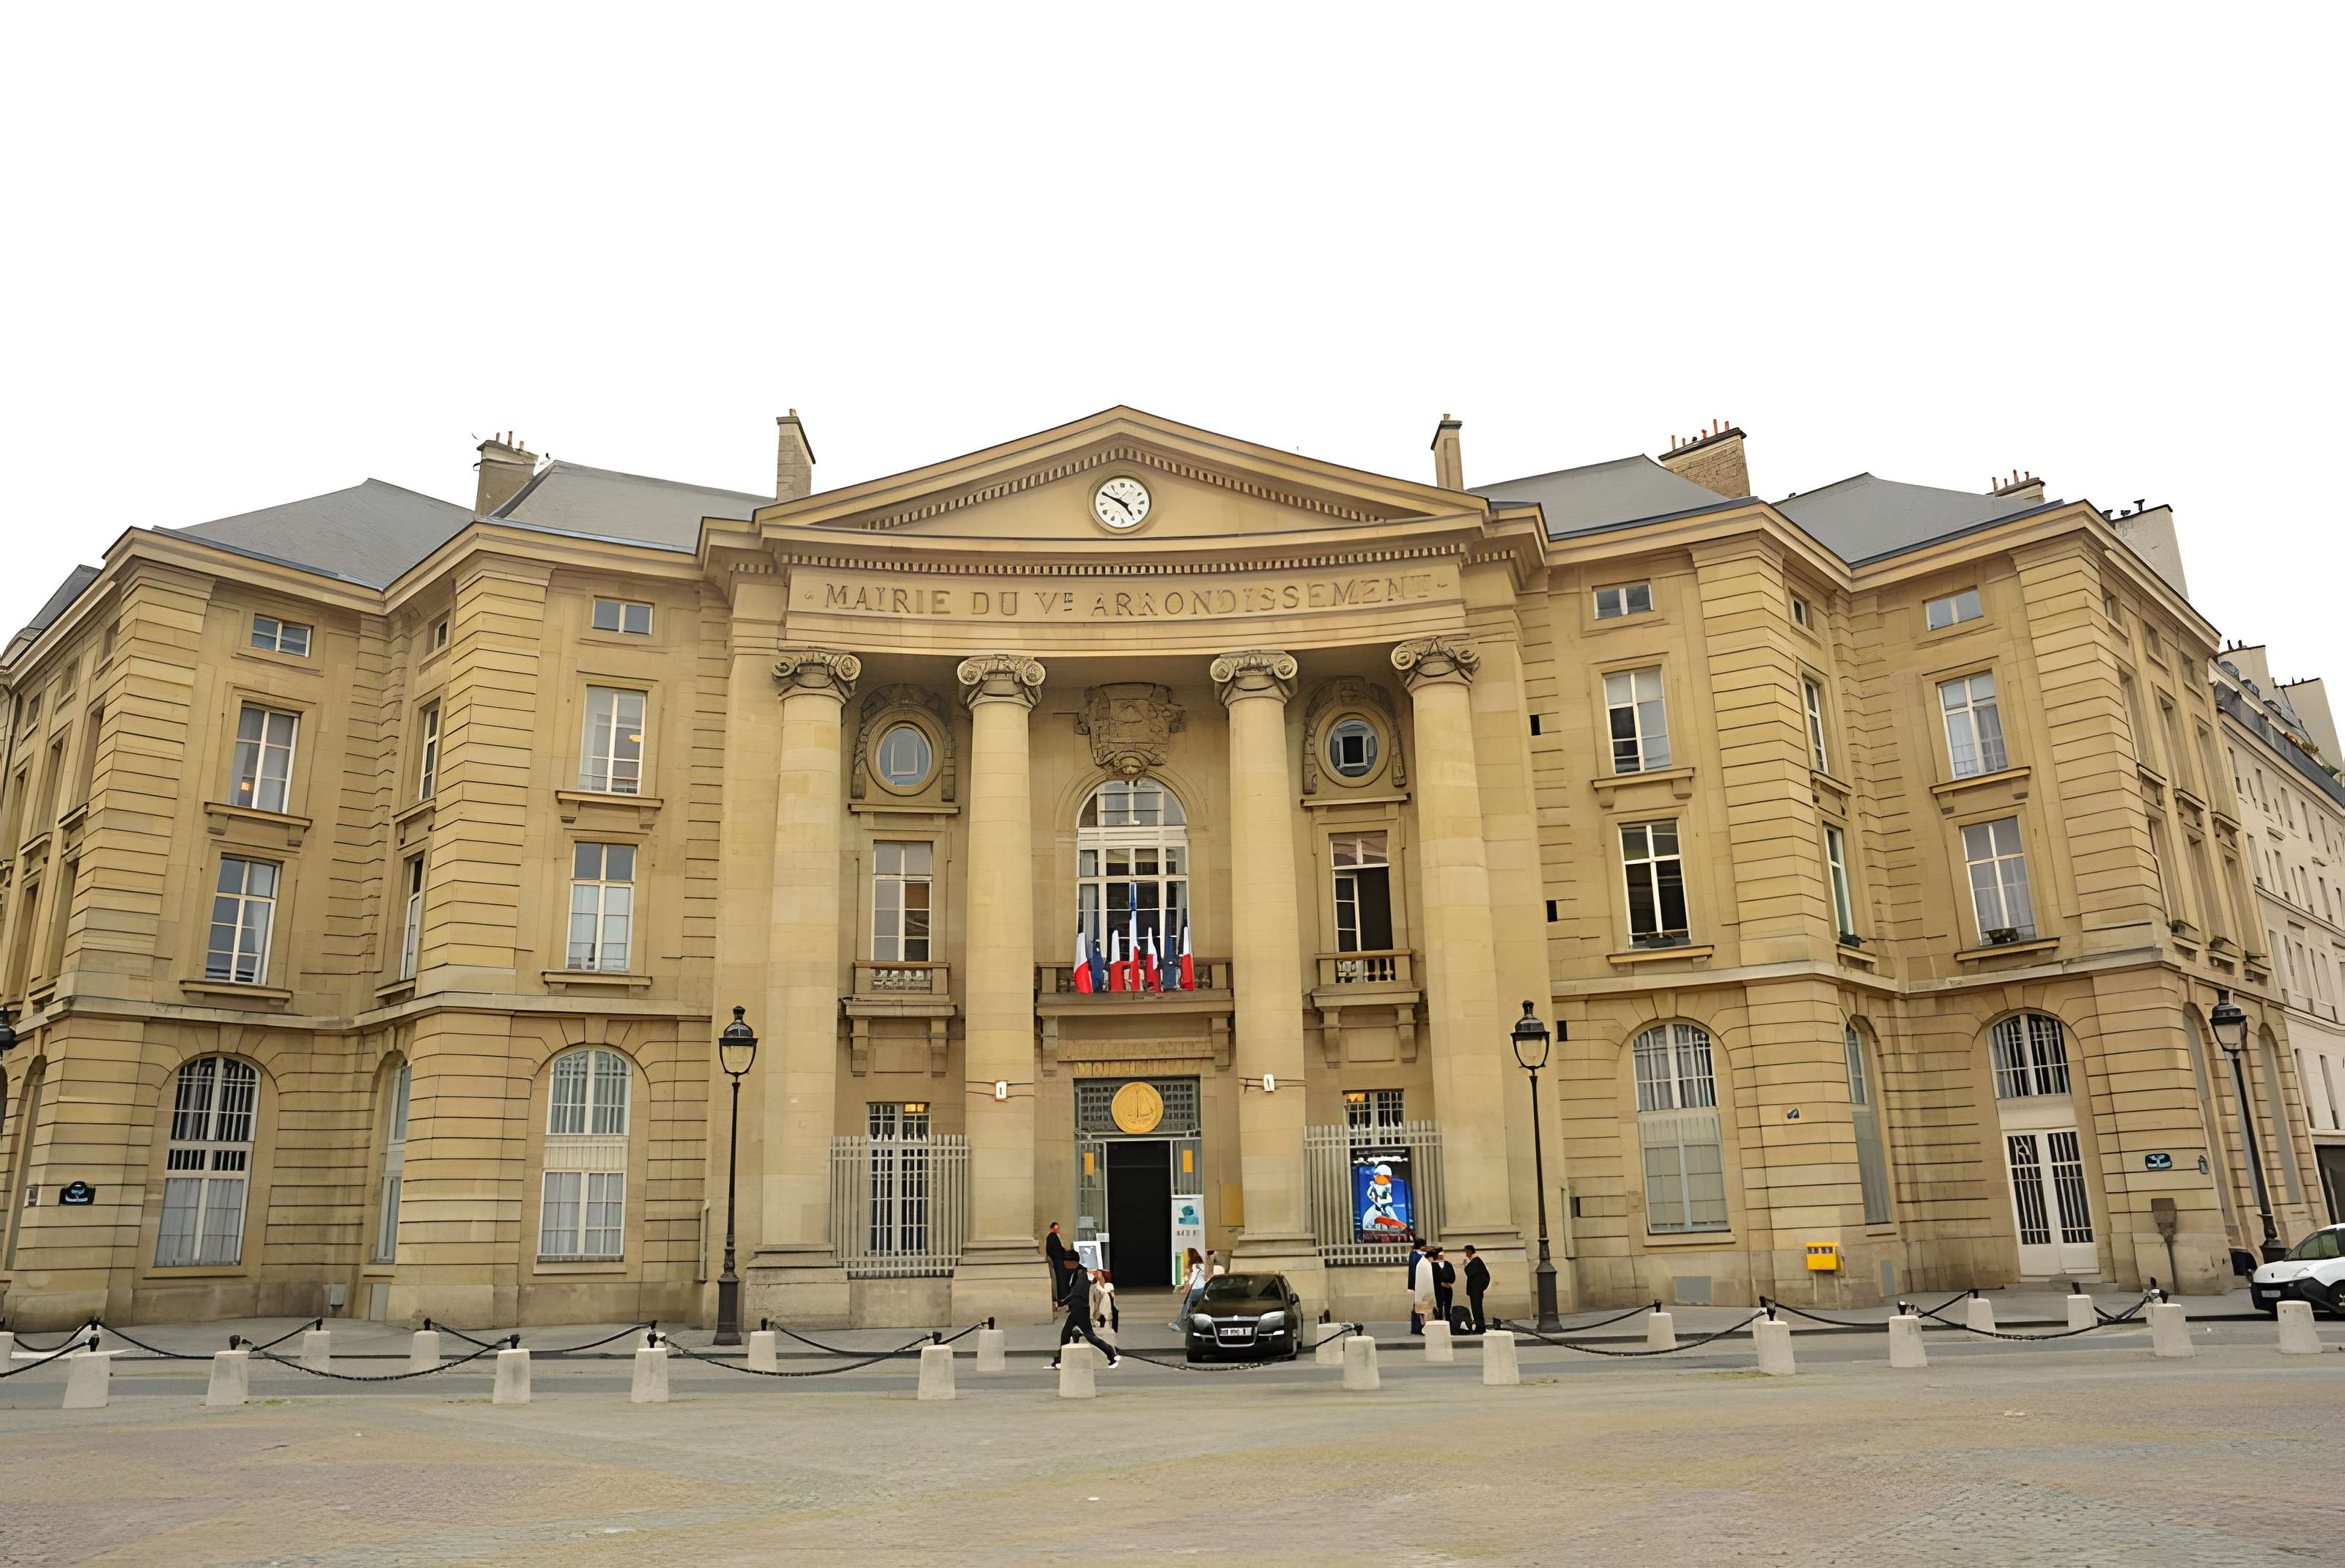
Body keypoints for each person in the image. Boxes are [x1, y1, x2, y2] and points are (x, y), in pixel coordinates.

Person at [1051, 1257, 1120, 1369]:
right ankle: (1059, 1360)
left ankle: (1111, 1354)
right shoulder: (1084, 1276)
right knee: (1066, 1333)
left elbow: (1075, 1294)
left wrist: (1061, 1303)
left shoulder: (1083, 1277)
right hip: (1079, 1308)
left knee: (1089, 1335)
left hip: (1080, 1309)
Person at [1169, 1246, 1208, 1331]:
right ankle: (1179, 1321)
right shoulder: (1201, 1265)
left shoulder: (1195, 1266)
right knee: (1186, 1303)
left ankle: (1182, 1325)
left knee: (1188, 1306)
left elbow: (1192, 1280)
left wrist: (1185, 1289)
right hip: (1201, 1288)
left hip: (1197, 1289)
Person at [1408, 1244, 1436, 1336]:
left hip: (1423, 1291)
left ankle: (1423, 1327)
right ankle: (1423, 1327)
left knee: (1424, 1311)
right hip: (1424, 1292)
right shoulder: (1423, 1262)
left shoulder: (1423, 1261)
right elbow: (1428, 1278)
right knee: (1424, 1312)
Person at [1463, 1244, 1491, 1333]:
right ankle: (1479, 1326)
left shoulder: (1476, 1261)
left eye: (1466, 1252)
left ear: (1470, 1252)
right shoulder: (1476, 1261)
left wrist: (1466, 1263)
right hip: (1476, 1289)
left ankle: (1480, 1327)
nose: (1466, 1254)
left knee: (1477, 1309)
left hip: (1476, 1290)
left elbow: (1468, 1272)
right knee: (1476, 1308)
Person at [1044, 1221, 1072, 1310]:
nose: (1057, 1231)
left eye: (1058, 1229)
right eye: (1056, 1229)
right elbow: (1059, 1250)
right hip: (1058, 1262)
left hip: (1058, 1260)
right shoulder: (1053, 1236)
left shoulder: (1051, 1237)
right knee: (1064, 1278)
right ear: (1052, 1229)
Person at [1090, 1268, 1120, 1339]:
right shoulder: (1094, 1287)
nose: (1096, 1275)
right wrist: (1092, 1317)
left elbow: (1110, 1294)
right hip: (1101, 1314)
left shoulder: (1109, 1285)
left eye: (1098, 1273)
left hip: (1111, 1312)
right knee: (1103, 1335)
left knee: (1111, 1333)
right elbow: (1092, 1303)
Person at [1432, 1247, 1455, 1322]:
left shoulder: (1448, 1264)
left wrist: (1449, 1283)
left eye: (1442, 1255)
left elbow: (1453, 1276)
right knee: (1440, 1308)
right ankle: (1440, 1322)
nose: (1442, 1257)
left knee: (1448, 1308)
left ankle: (1449, 1323)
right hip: (1439, 1289)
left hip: (1448, 1289)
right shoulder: (1434, 1265)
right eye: (1440, 1255)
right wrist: (1441, 1283)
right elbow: (1433, 1277)